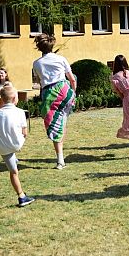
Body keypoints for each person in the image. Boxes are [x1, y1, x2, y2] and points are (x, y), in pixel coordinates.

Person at [32, 34, 76, 170]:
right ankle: (60, 159)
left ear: (39, 47)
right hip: (65, 91)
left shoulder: (37, 63)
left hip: (50, 94)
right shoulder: (61, 59)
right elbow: (72, 79)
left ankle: (60, 160)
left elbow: (38, 82)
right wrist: (73, 94)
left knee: (56, 127)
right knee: (61, 123)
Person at [0, 85, 35, 207]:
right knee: (16, 144)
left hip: (3, 147)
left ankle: (21, 195)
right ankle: (22, 197)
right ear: (14, 99)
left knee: (13, 172)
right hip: (17, 143)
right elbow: (25, 132)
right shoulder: (20, 112)